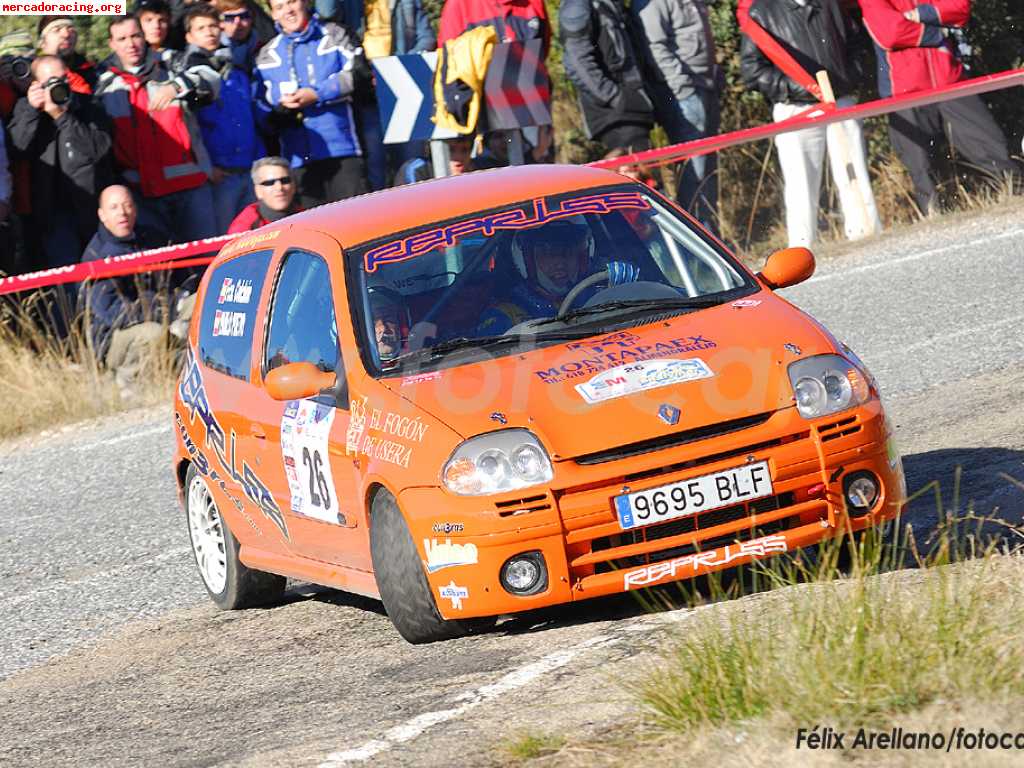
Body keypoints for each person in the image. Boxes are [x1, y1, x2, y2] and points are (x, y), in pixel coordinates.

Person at [740, 0, 881, 247]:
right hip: (796, 108)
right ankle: (804, 248)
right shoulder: (761, 11)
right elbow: (752, 70)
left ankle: (868, 236)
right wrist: (796, 88)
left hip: (840, 101)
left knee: (854, 173)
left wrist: (849, 77)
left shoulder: (831, 3)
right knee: (801, 183)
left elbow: (857, 43)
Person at [859, 0, 1019, 215]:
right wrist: (938, 32)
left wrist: (916, 15)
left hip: (950, 81)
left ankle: (1017, 200)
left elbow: (959, 8)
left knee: (990, 145)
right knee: (921, 167)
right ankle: (934, 220)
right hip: (904, 91)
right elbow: (890, 33)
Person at [95, 15, 220, 244]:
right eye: (122, 38)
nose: (130, 44)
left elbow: (212, 79)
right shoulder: (104, 84)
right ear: (112, 44)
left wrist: (176, 86)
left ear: (144, 37)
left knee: (203, 258)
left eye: (135, 36)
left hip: (190, 188)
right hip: (141, 195)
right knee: (161, 268)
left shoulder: (171, 61)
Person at [254, 0, 370, 208]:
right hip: (298, 161)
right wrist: (282, 110)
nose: (288, 11)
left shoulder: (335, 34)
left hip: (343, 150)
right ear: (272, 14)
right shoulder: (266, 55)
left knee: (355, 223)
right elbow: (263, 112)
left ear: (305, 2)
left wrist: (318, 95)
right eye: (279, 7)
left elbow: (360, 74)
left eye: (292, 2)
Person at [7, 55, 113, 272]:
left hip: (92, 206)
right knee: (66, 277)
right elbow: (16, 150)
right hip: (52, 213)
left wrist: (61, 116)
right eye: (50, 82)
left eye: (62, 79)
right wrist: (31, 110)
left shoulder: (89, 105)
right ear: (36, 85)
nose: (58, 86)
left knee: (102, 274)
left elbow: (96, 150)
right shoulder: (25, 109)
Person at [631, 0, 723, 231]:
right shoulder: (650, 4)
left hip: (707, 88)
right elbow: (656, 48)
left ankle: (712, 235)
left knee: (709, 168)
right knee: (695, 170)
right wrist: (684, 86)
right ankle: (700, 238)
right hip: (684, 94)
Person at [79, 185, 174, 394]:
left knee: (198, 305)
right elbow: (114, 314)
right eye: (114, 207)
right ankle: (127, 384)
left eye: (127, 205)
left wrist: (178, 304)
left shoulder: (151, 238)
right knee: (153, 333)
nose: (122, 212)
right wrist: (161, 312)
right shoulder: (96, 255)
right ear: (102, 215)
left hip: (161, 311)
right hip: (114, 337)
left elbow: (176, 282)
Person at [478, 218, 639, 334]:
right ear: (525, 258)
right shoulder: (505, 315)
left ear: (584, 254)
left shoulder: (605, 291)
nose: (559, 263)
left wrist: (627, 290)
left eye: (568, 252)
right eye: (547, 253)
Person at [185, 3, 264, 232]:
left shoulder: (237, 71)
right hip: (219, 175)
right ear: (190, 36)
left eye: (213, 26)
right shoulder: (187, 77)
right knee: (222, 240)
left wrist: (258, 160)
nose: (209, 32)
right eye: (201, 28)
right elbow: (190, 129)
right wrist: (207, 167)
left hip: (250, 170)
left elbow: (252, 120)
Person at [559, 0, 655, 155]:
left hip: (634, 108)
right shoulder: (577, 5)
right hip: (616, 116)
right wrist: (616, 97)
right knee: (634, 175)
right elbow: (577, 61)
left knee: (646, 174)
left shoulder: (610, 3)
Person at [438, 0, 550, 53]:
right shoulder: (460, 6)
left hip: (530, 93)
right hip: (478, 95)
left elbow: (544, 47)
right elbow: (447, 61)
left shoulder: (534, 3)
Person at [228, 156, 301, 231]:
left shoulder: (307, 216)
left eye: (285, 180)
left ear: (294, 186)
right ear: (257, 191)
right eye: (269, 183)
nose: (279, 187)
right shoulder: (244, 227)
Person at [36, 16, 97, 94]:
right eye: (56, 30)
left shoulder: (94, 74)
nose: (66, 35)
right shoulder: (28, 76)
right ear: (42, 42)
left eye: (71, 29)